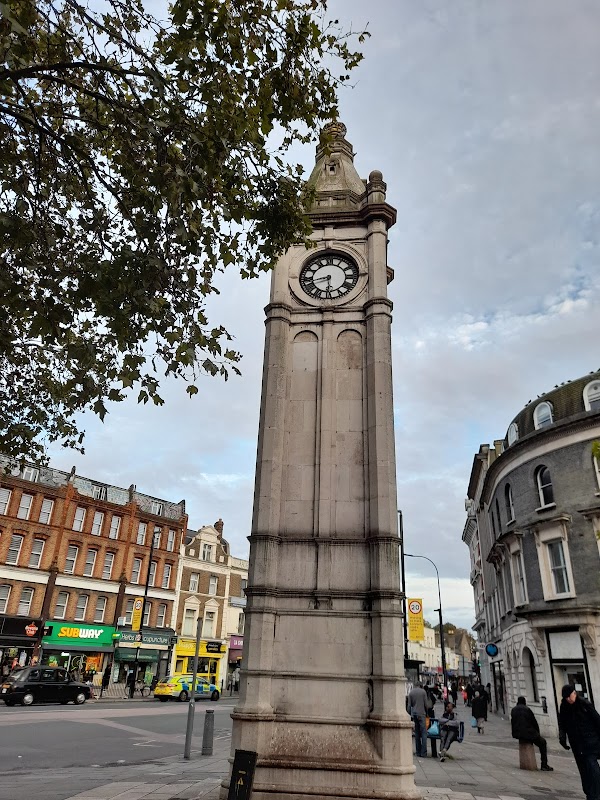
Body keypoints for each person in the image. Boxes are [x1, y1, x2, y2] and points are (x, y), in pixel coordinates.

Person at [559, 684, 600, 800]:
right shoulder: (564, 707)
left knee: (593, 768)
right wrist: (562, 737)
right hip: (577, 744)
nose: (568, 699)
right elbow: (562, 723)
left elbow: (597, 721)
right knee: (583, 770)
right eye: (565, 697)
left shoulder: (585, 705)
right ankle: (589, 793)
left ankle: (596, 795)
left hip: (590, 742)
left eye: (569, 696)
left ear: (574, 693)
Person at [510, 696, 553, 771]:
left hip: (517, 734)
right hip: (529, 733)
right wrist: (537, 733)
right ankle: (544, 764)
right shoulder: (527, 710)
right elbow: (534, 722)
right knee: (543, 743)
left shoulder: (513, 710)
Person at [408, 682, 432, 758]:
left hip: (414, 714)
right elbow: (426, 704)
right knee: (424, 733)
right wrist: (427, 713)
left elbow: (409, 705)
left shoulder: (411, 692)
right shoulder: (423, 692)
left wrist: (409, 716)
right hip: (422, 714)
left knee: (417, 733)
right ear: (421, 685)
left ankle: (418, 751)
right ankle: (423, 752)